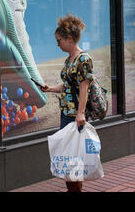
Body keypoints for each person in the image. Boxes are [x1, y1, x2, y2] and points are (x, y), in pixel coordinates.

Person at [41, 13, 92, 192]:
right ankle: (72, 189)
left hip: (74, 117)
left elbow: (84, 87)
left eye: (59, 40)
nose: (57, 44)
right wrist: (50, 89)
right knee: (68, 159)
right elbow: (68, 85)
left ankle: (75, 190)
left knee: (73, 160)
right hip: (66, 115)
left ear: (69, 39)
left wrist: (80, 113)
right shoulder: (69, 60)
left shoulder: (83, 59)